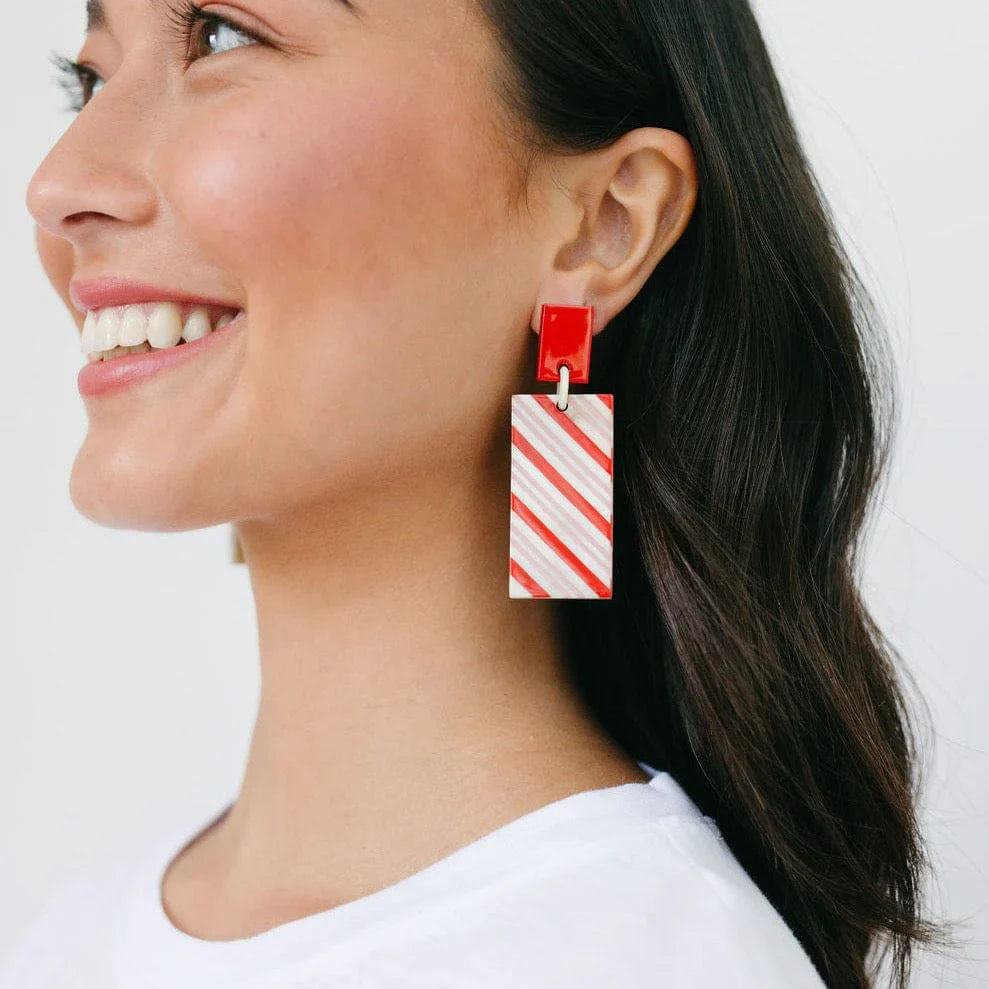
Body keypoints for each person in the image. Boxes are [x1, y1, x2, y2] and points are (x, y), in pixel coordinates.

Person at [5, 0, 940, 986]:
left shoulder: (651, 958)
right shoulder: (72, 941)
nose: (59, 182)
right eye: (90, 78)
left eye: (222, 36)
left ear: (603, 224)